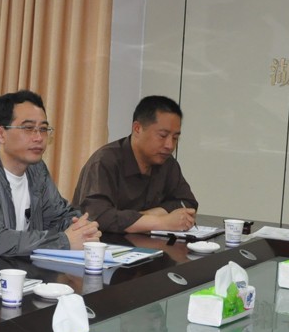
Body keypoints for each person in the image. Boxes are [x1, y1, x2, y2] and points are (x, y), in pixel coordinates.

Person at [0, 90, 100, 257]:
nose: (39, 137)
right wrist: (64, 242)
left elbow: (58, 216)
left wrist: (84, 228)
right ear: (0, 134)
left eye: (43, 129)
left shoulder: (36, 169)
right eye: (28, 128)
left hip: (24, 267)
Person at [72, 95, 198, 234]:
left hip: (146, 243)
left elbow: (188, 203)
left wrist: (150, 215)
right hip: (103, 244)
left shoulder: (167, 162)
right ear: (137, 128)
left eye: (175, 138)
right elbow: (97, 217)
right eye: (162, 135)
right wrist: (161, 222)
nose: (169, 145)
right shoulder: (105, 161)